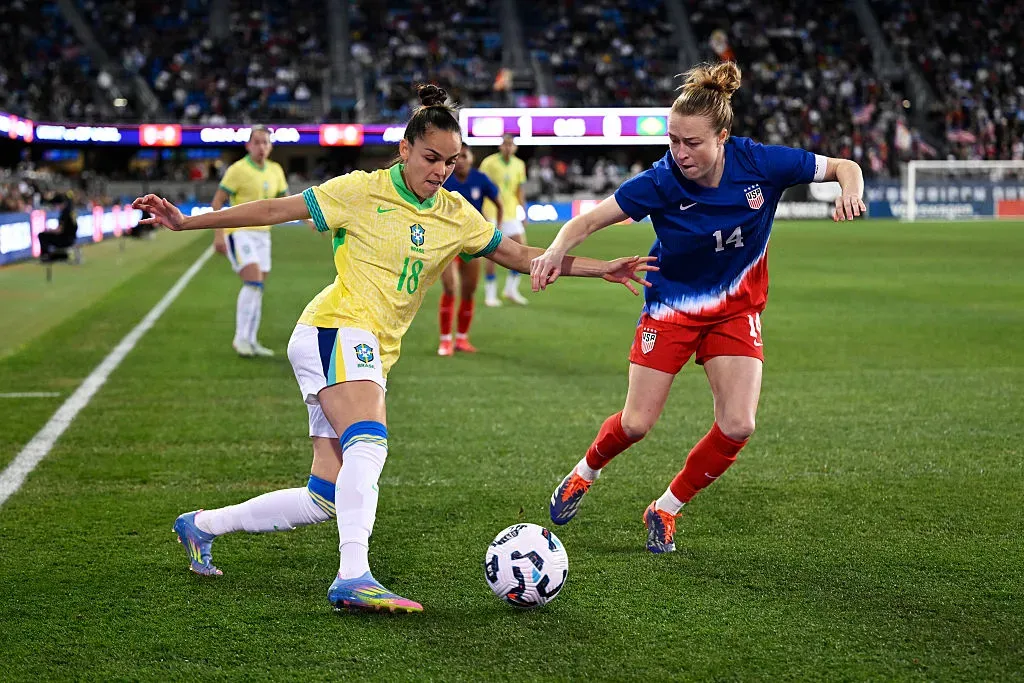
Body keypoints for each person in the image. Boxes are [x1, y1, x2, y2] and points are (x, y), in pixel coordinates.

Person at [133, 84, 657, 614]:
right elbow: (273, 208)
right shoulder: (360, 190)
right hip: (336, 328)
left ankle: (200, 526)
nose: (441, 170)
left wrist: (601, 267)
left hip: (356, 347)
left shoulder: (456, 213)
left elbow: (523, 256)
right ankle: (353, 576)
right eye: (431, 157)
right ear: (404, 149)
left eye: (450, 161)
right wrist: (187, 221)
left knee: (324, 496)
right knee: (370, 440)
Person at [533, 62, 867, 554]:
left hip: (735, 310)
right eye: (673, 141)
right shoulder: (662, 180)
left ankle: (665, 508)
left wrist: (851, 193)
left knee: (739, 424)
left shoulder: (761, 163)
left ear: (723, 138)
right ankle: (584, 473)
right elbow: (589, 220)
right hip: (670, 309)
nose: (679, 153)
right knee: (636, 424)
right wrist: (555, 249)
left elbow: (844, 167)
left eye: (692, 143)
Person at [210, 125, 289, 358]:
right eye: (257, 142)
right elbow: (218, 201)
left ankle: (252, 340)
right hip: (240, 231)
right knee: (253, 281)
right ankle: (240, 338)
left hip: (264, 234)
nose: (261, 147)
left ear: (271, 146)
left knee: (258, 288)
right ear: (248, 145)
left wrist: (309, 221)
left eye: (265, 142)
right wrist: (219, 234)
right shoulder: (238, 169)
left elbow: (286, 201)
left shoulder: (275, 170)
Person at [437, 142, 504, 355]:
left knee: (469, 290)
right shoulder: (443, 180)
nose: (462, 161)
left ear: (471, 158)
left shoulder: (480, 179)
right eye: (458, 157)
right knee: (450, 287)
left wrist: (497, 227)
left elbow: (499, 203)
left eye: (465, 156)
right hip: (447, 244)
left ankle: (462, 339)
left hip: (473, 243)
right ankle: (445, 340)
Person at [479, 133, 529, 306]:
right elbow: (481, 186)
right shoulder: (489, 163)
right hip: (492, 211)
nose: (508, 147)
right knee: (491, 253)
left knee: (522, 249)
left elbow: (519, 190)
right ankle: (490, 293)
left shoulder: (519, 165)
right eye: (505, 144)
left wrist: (524, 211)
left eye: (511, 144)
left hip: (510, 212)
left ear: (515, 147)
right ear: (501, 146)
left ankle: (511, 289)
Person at [38, 192, 78, 261]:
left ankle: (46, 256)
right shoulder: (70, 211)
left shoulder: (64, 213)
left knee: (42, 235)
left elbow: (59, 230)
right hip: (72, 238)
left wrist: (49, 230)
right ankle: (60, 255)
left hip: (65, 240)